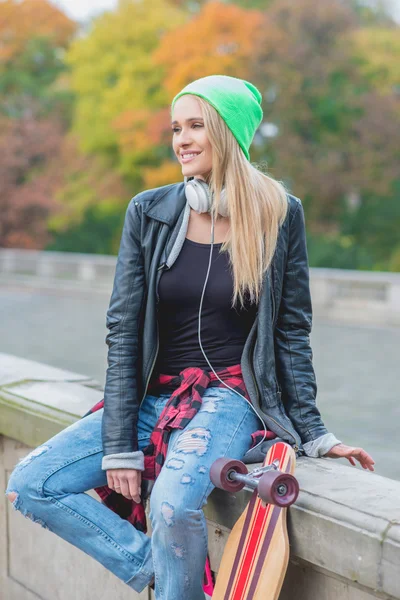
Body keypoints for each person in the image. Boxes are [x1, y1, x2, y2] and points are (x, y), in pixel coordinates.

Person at [5, 75, 374, 600]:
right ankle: (168, 576)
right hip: (152, 396)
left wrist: (316, 434)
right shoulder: (149, 212)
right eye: (176, 128)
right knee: (31, 483)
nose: (181, 139)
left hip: (229, 397)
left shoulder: (278, 214)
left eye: (196, 125)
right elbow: (123, 330)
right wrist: (118, 448)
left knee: (174, 504)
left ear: (227, 133)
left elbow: (292, 331)